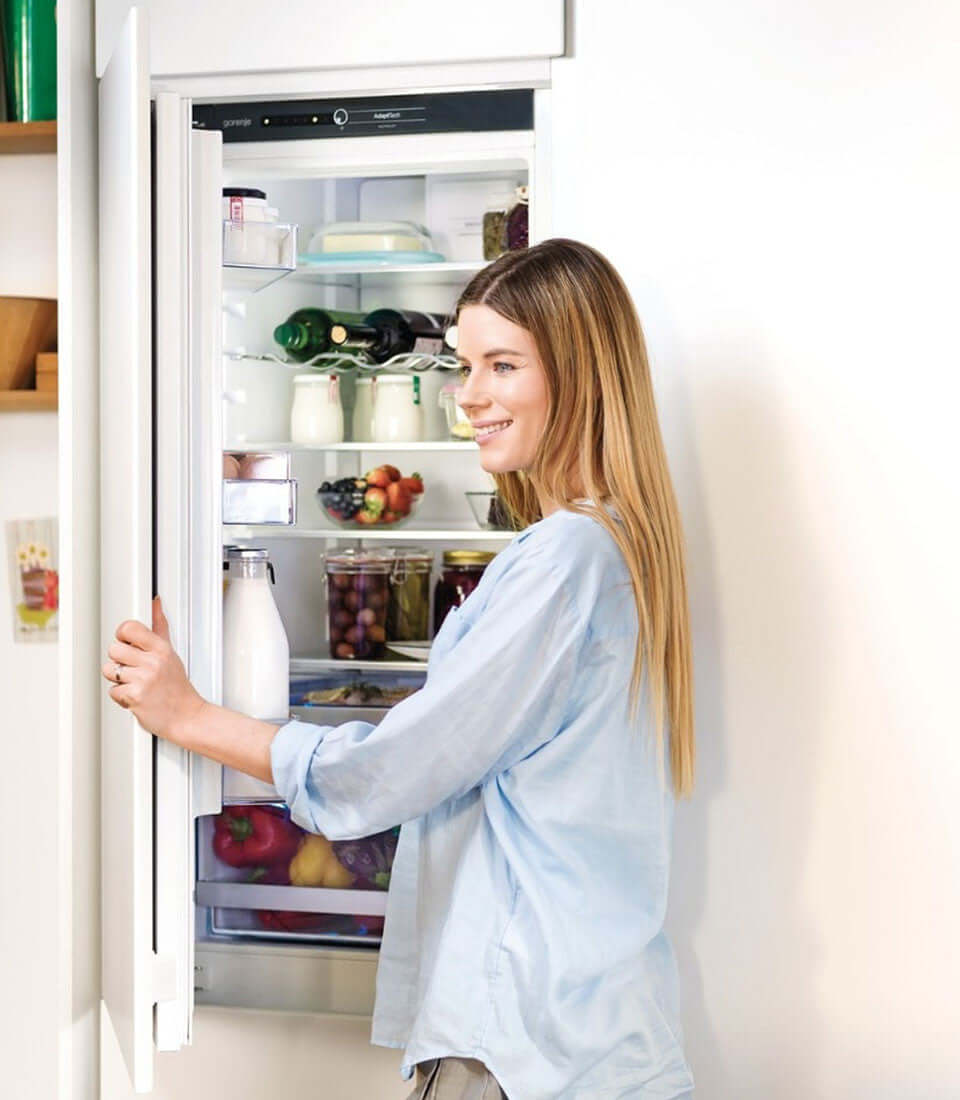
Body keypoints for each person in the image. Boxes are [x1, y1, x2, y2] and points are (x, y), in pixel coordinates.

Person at [102, 238, 696, 1099]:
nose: (472, 397)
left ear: (581, 375)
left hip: (523, 1040)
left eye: (503, 365)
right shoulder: (625, 544)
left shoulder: (566, 556)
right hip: (600, 1030)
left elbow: (393, 771)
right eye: (464, 365)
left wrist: (189, 716)